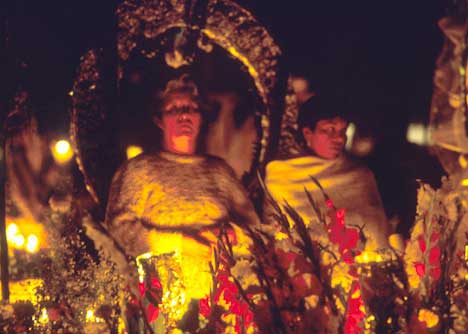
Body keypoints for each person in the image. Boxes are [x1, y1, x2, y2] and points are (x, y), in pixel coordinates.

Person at [104, 74, 259, 330]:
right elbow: (118, 229)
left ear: (201, 117)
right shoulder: (140, 170)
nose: (184, 115)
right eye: (174, 109)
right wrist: (179, 244)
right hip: (160, 302)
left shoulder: (219, 172)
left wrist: (231, 235)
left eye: (191, 109)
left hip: (221, 301)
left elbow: (255, 229)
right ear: (159, 120)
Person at [264, 94, 390, 251]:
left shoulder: (359, 175)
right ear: (308, 133)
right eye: (330, 130)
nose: (339, 139)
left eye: (343, 131)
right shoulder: (281, 174)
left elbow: (377, 231)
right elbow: (277, 232)